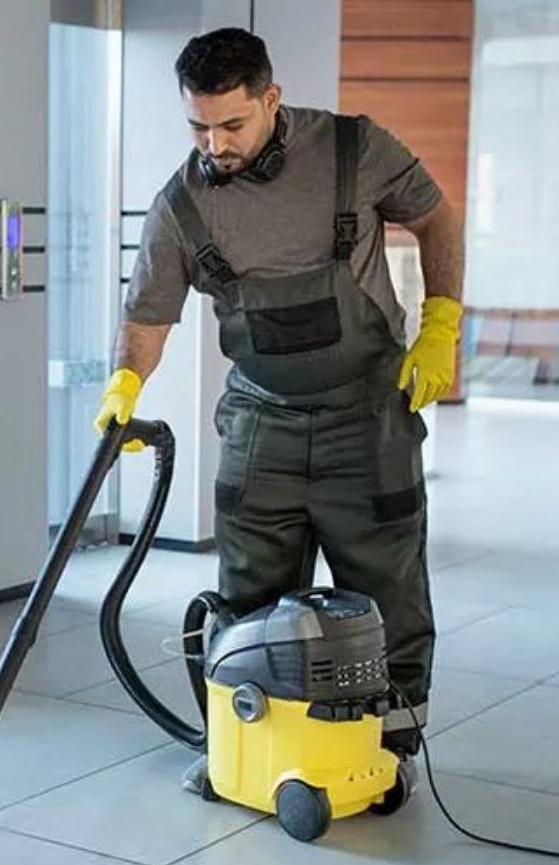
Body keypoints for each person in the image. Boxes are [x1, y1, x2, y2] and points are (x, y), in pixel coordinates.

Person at [94, 27, 464, 791]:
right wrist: (124, 387)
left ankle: (388, 753)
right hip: (260, 418)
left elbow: (435, 217)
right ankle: (244, 744)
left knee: (386, 584)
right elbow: (149, 316)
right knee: (248, 593)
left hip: (367, 412)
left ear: (271, 98)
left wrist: (442, 324)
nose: (214, 143)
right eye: (198, 126)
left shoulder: (354, 150)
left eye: (232, 124)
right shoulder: (182, 203)